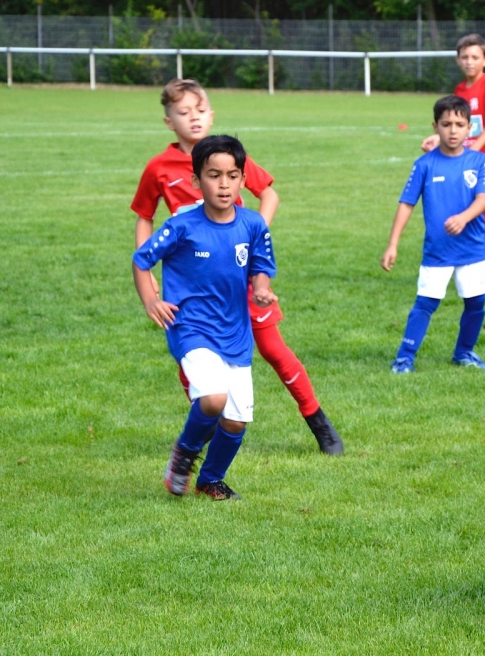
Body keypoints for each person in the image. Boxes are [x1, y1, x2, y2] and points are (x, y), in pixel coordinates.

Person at [130, 78, 342, 455]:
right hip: (195, 283)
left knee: (273, 349)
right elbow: (144, 216)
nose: (193, 118)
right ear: (169, 121)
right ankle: (207, 424)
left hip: (240, 277)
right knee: (192, 353)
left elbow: (269, 194)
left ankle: (318, 421)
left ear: (211, 115)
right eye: (183, 112)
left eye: (200, 110)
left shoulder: (228, 156)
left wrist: (252, 236)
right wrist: (149, 274)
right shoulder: (159, 167)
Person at [133, 135, 276, 500]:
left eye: (232, 175)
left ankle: (209, 479)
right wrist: (151, 300)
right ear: (197, 181)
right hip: (191, 326)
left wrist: (261, 288)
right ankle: (183, 455)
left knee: (236, 421)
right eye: (214, 175)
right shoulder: (181, 225)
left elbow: (261, 266)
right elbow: (141, 259)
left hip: (235, 331)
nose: (224, 184)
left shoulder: (253, 225)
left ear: (243, 179)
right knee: (213, 399)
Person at [382, 95, 485, 374]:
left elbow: (483, 199)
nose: (453, 130)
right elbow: (406, 203)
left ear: (469, 128)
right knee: (425, 303)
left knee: (476, 303)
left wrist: (463, 218)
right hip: (438, 250)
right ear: (435, 127)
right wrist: (393, 244)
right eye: (446, 124)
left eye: (459, 124)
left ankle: (464, 352)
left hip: (473, 248)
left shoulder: (479, 161)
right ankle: (405, 358)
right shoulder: (424, 164)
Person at [421, 34, 485, 292]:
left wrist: (471, 152)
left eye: (475, 57)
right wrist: (437, 139)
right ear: (457, 60)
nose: (470, 62)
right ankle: (465, 268)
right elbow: (455, 126)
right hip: (464, 164)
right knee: (465, 215)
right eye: (465, 57)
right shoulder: (460, 90)